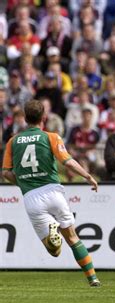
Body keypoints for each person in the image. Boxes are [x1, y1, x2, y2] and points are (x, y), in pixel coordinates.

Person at [1, 99, 101, 287]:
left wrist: (22, 182)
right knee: (72, 238)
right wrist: (88, 176)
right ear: (44, 117)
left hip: (31, 197)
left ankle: (52, 231)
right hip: (54, 192)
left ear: (25, 118)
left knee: (54, 251)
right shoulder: (51, 137)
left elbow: (5, 172)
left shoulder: (13, 141)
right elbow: (68, 161)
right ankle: (93, 278)